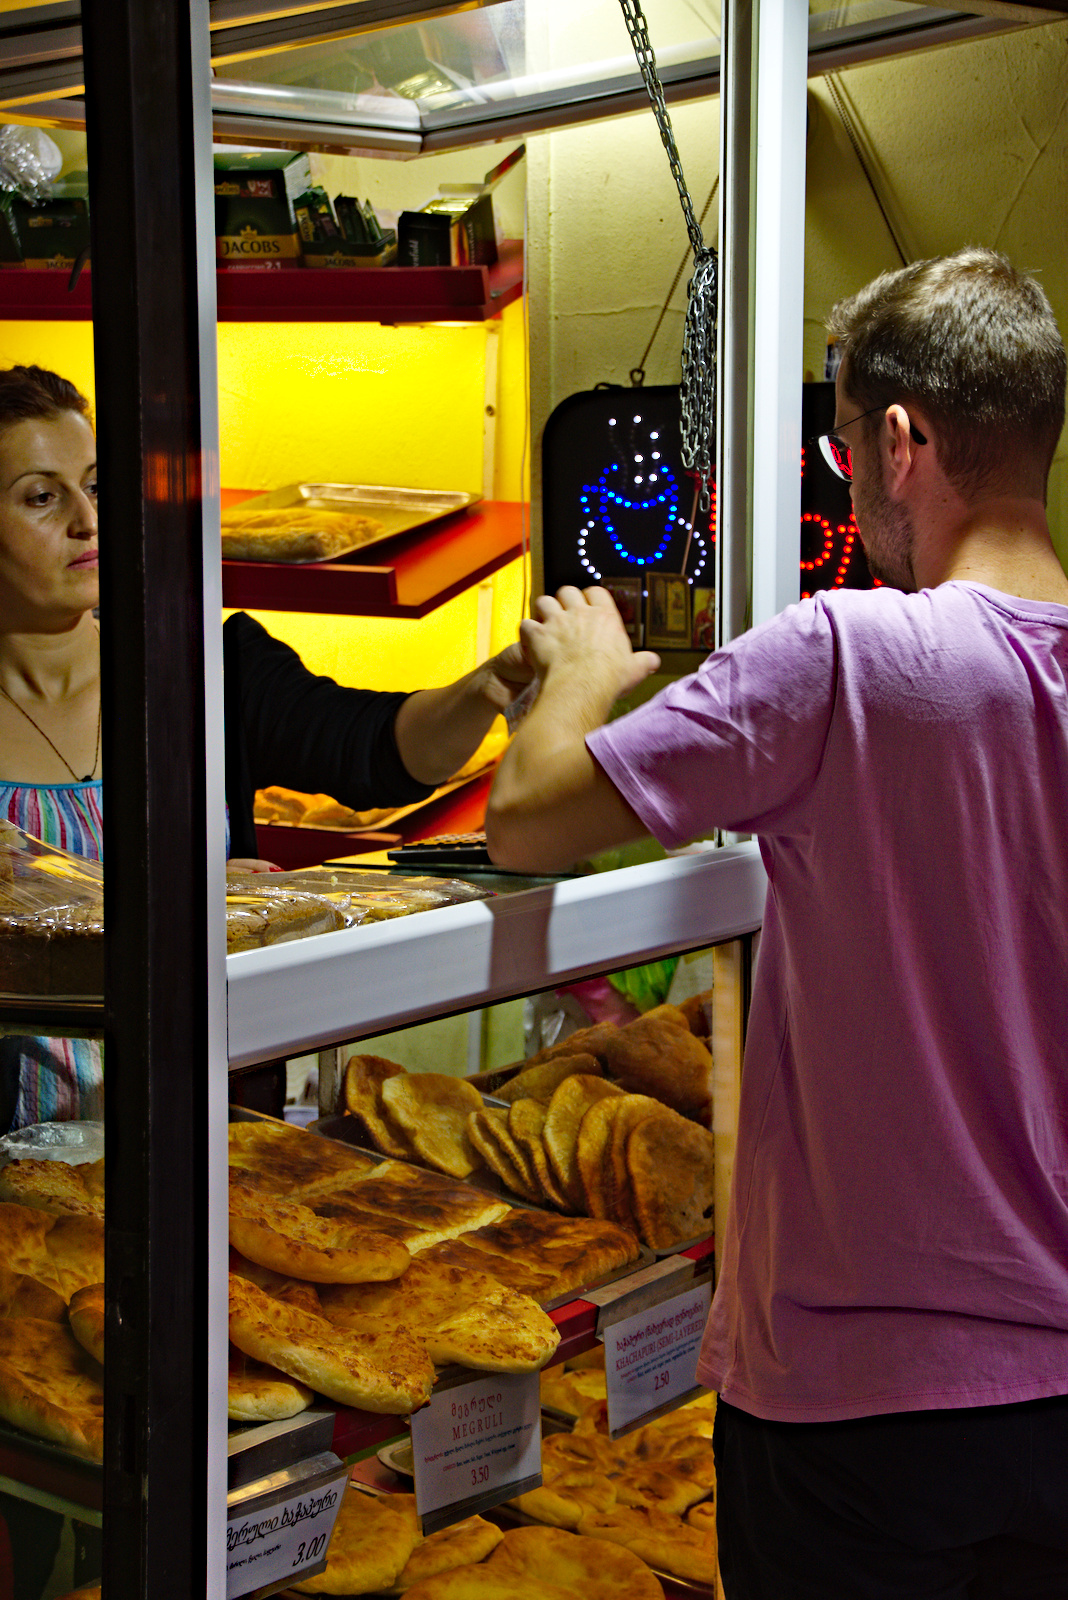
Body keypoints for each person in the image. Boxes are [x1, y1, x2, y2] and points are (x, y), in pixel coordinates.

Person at [485, 248, 1068, 1597]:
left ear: (903, 440)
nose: (849, 478)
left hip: (862, 1409)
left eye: (847, 444)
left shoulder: (852, 654)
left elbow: (528, 821)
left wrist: (582, 670)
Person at [0, 362, 533, 1131]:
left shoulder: (211, 670)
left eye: (93, 484)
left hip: (211, 1139)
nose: (88, 519)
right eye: (41, 497)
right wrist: (181, 905)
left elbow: (383, 752)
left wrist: (487, 684)